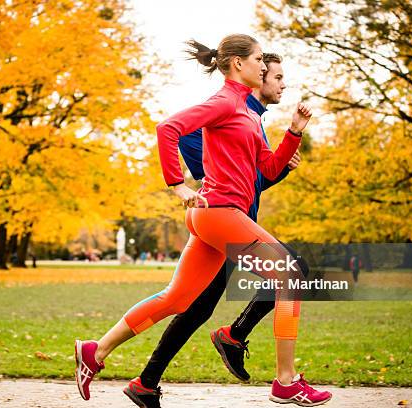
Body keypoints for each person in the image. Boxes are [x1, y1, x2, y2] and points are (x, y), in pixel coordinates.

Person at [75, 34, 331, 406]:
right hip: (219, 211)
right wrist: (177, 185)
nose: (264, 66)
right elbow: (169, 129)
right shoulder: (224, 101)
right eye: (260, 59)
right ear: (238, 64)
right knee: (290, 275)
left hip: (216, 216)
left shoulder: (246, 111)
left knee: (177, 299)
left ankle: (95, 352)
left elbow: (269, 167)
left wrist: (293, 133)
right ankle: (286, 381)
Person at [123, 52, 309, 408]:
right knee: (194, 304)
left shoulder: (253, 120)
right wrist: (180, 184)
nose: (283, 84)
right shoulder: (225, 114)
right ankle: (231, 340)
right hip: (219, 223)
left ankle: (149, 382)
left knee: (196, 307)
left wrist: (280, 164)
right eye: (277, 77)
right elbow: (213, 175)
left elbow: (253, 182)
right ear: (258, 75)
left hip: (239, 223)